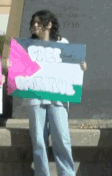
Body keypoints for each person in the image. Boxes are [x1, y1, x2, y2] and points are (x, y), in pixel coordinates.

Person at [15, 9, 86, 176]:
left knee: (62, 139)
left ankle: (67, 173)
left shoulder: (63, 43)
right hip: (35, 98)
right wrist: (12, 66)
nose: (34, 25)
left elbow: (72, 68)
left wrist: (80, 66)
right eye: (33, 22)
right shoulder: (27, 46)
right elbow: (20, 70)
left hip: (58, 99)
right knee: (39, 141)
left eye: (38, 22)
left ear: (48, 25)